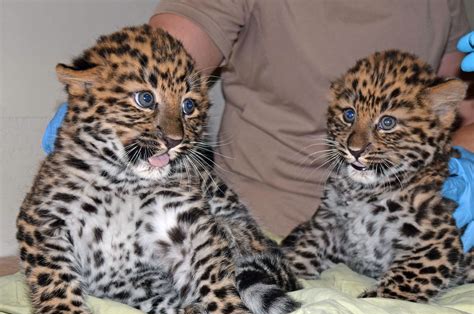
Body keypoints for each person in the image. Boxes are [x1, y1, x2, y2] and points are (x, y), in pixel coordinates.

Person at [44, 1, 473, 246]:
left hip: (395, 231)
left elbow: (455, 111)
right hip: (257, 232)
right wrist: (110, 103)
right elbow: (163, 61)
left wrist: (466, 162)